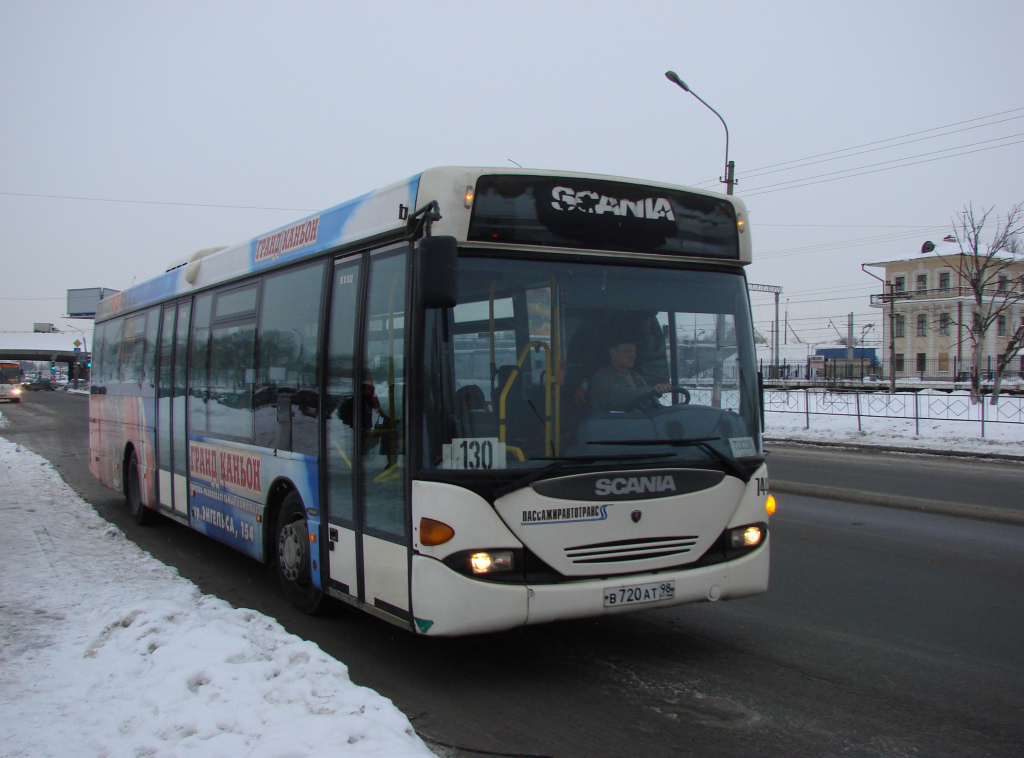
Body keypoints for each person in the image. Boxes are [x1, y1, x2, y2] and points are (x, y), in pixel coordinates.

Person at [589, 339, 671, 413]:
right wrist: (648, 391)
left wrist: (656, 391)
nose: (633, 356)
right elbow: (615, 399)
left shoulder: (636, 377)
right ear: (613, 354)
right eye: (628, 352)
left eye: (634, 352)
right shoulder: (601, 377)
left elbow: (650, 403)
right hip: (611, 425)